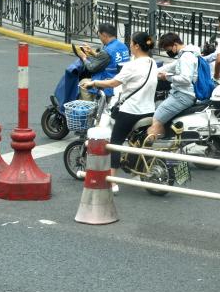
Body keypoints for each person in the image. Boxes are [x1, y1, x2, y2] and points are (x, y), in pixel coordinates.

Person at [81, 32, 158, 192]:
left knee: (115, 144)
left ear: (136, 46)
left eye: (131, 43)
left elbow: (113, 83)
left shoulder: (132, 65)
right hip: (149, 111)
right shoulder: (152, 63)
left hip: (131, 111)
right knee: (137, 142)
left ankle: (112, 181)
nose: (129, 45)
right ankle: (137, 172)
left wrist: (93, 83)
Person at [146, 33, 200, 139]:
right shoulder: (187, 54)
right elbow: (171, 66)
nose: (167, 52)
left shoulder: (186, 57)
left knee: (156, 118)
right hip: (182, 93)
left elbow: (186, 79)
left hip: (183, 95)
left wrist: (167, 77)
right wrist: (150, 72)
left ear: (175, 44)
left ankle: (152, 148)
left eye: (168, 49)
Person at [75, 23, 130, 101]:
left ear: (104, 35)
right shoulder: (123, 46)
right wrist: (92, 52)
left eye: (99, 35)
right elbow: (108, 59)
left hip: (108, 82)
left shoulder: (108, 50)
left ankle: (90, 109)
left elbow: (92, 68)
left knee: (83, 83)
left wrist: (84, 58)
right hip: (120, 80)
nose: (99, 38)